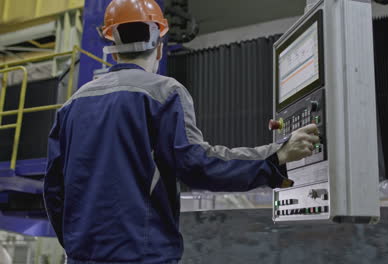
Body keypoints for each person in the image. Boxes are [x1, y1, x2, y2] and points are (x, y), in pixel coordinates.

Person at [43, 0, 320, 263]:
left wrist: (78, 247)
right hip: (143, 257)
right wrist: (275, 156)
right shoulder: (165, 93)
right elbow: (199, 166)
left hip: (81, 257)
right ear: (159, 46)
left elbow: (54, 191)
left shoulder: (71, 106)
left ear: (113, 47)